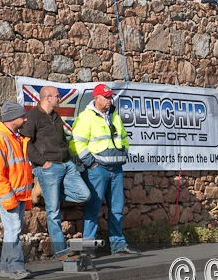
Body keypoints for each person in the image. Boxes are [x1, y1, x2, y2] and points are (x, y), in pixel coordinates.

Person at [21, 85, 91, 259]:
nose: (60, 98)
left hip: (66, 165)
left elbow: (61, 140)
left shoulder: (56, 117)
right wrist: (42, 162)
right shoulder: (32, 117)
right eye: (57, 96)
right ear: (47, 98)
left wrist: (68, 159)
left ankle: (42, 189)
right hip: (48, 167)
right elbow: (26, 143)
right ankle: (61, 251)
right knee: (53, 212)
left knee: (84, 195)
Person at [70, 84, 140, 255]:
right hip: (97, 169)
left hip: (116, 169)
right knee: (93, 209)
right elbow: (75, 143)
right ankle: (88, 248)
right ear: (97, 98)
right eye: (106, 97)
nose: (110, 100)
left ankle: (118, 244)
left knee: (117, 208)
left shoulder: (114, 116)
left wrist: (124, 152)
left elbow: (124, 137)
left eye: (110, 97)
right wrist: (90, 163)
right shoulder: (86, 117)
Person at [0, 102, 34, 279]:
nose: (25, 119)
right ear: (13, 118)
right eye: (22, 116)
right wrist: (8, 197)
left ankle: (6, 267)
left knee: (13, 230)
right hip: (10, 195)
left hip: (17, 194)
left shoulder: (14, 137)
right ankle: (15, 267)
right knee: (13, 229)